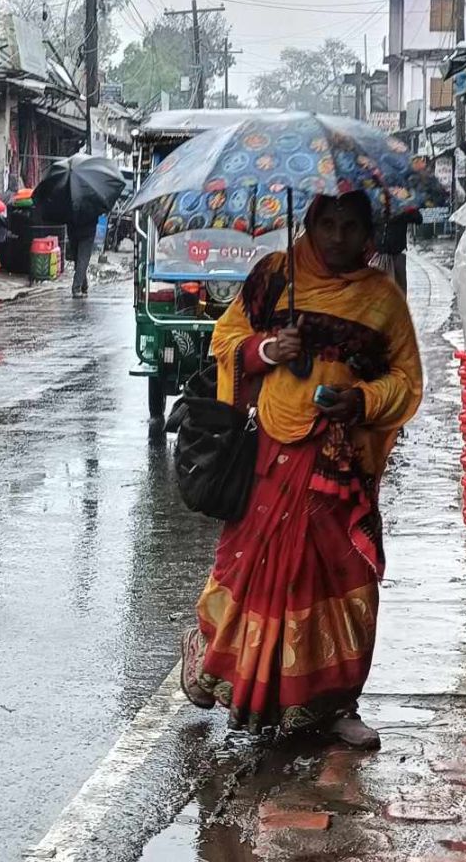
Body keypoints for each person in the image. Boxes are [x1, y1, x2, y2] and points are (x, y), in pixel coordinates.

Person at [178, 191, 422, 749]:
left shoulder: (383, 299)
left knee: (342, 578)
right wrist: (267, 349)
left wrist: (360, 401)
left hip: (341, 466)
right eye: (327, 223)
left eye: (350, 226)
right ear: (309, 224)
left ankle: (337, 703)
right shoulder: (272, 278)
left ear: (368, 234)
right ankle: (211, 660)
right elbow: (225, 342)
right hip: (270, 452)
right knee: (250, 570)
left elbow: (406, 382)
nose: (337, 237)